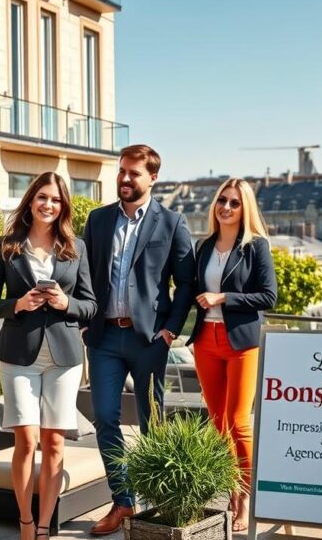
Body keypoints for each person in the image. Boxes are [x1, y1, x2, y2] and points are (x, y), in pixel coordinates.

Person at [81, 144, 196, 535]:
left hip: (149, 339)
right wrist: (85, 322)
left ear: (152, 178)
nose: (125, 179)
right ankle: (124, 502)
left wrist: (170, 330)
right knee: (106, 420)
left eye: (134, 173)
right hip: (103, 338)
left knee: (153, 422)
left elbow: (186, 284)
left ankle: (160, 504)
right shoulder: (97, 221)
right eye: (122, 171)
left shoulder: (172, 222)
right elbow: (85, 275)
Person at [0, 172, 98, 540]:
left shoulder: (75, 247)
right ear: (31, 201)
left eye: (56, 200)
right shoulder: (7, 246)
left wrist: (67, 303)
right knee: (26, 441)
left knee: (55, 442)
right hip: (18, 356)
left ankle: (45, 526)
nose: (48, 204)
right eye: (42, 197)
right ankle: (25, 521)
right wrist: (17, 304)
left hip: (64, 358)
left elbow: (91, 306)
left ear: (63, 206)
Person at [189, 178, 277, 532]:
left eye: (234, 203)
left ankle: (244, 496)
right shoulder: (204, 246)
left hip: (242, 342)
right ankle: (228, 489)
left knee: (239, 422)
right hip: (205, 342)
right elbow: (190, 291)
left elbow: (268, 296)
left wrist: (224, 297)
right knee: (217, 423)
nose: (226, 207)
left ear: (245, 209)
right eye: (222, 200)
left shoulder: (256, 247)